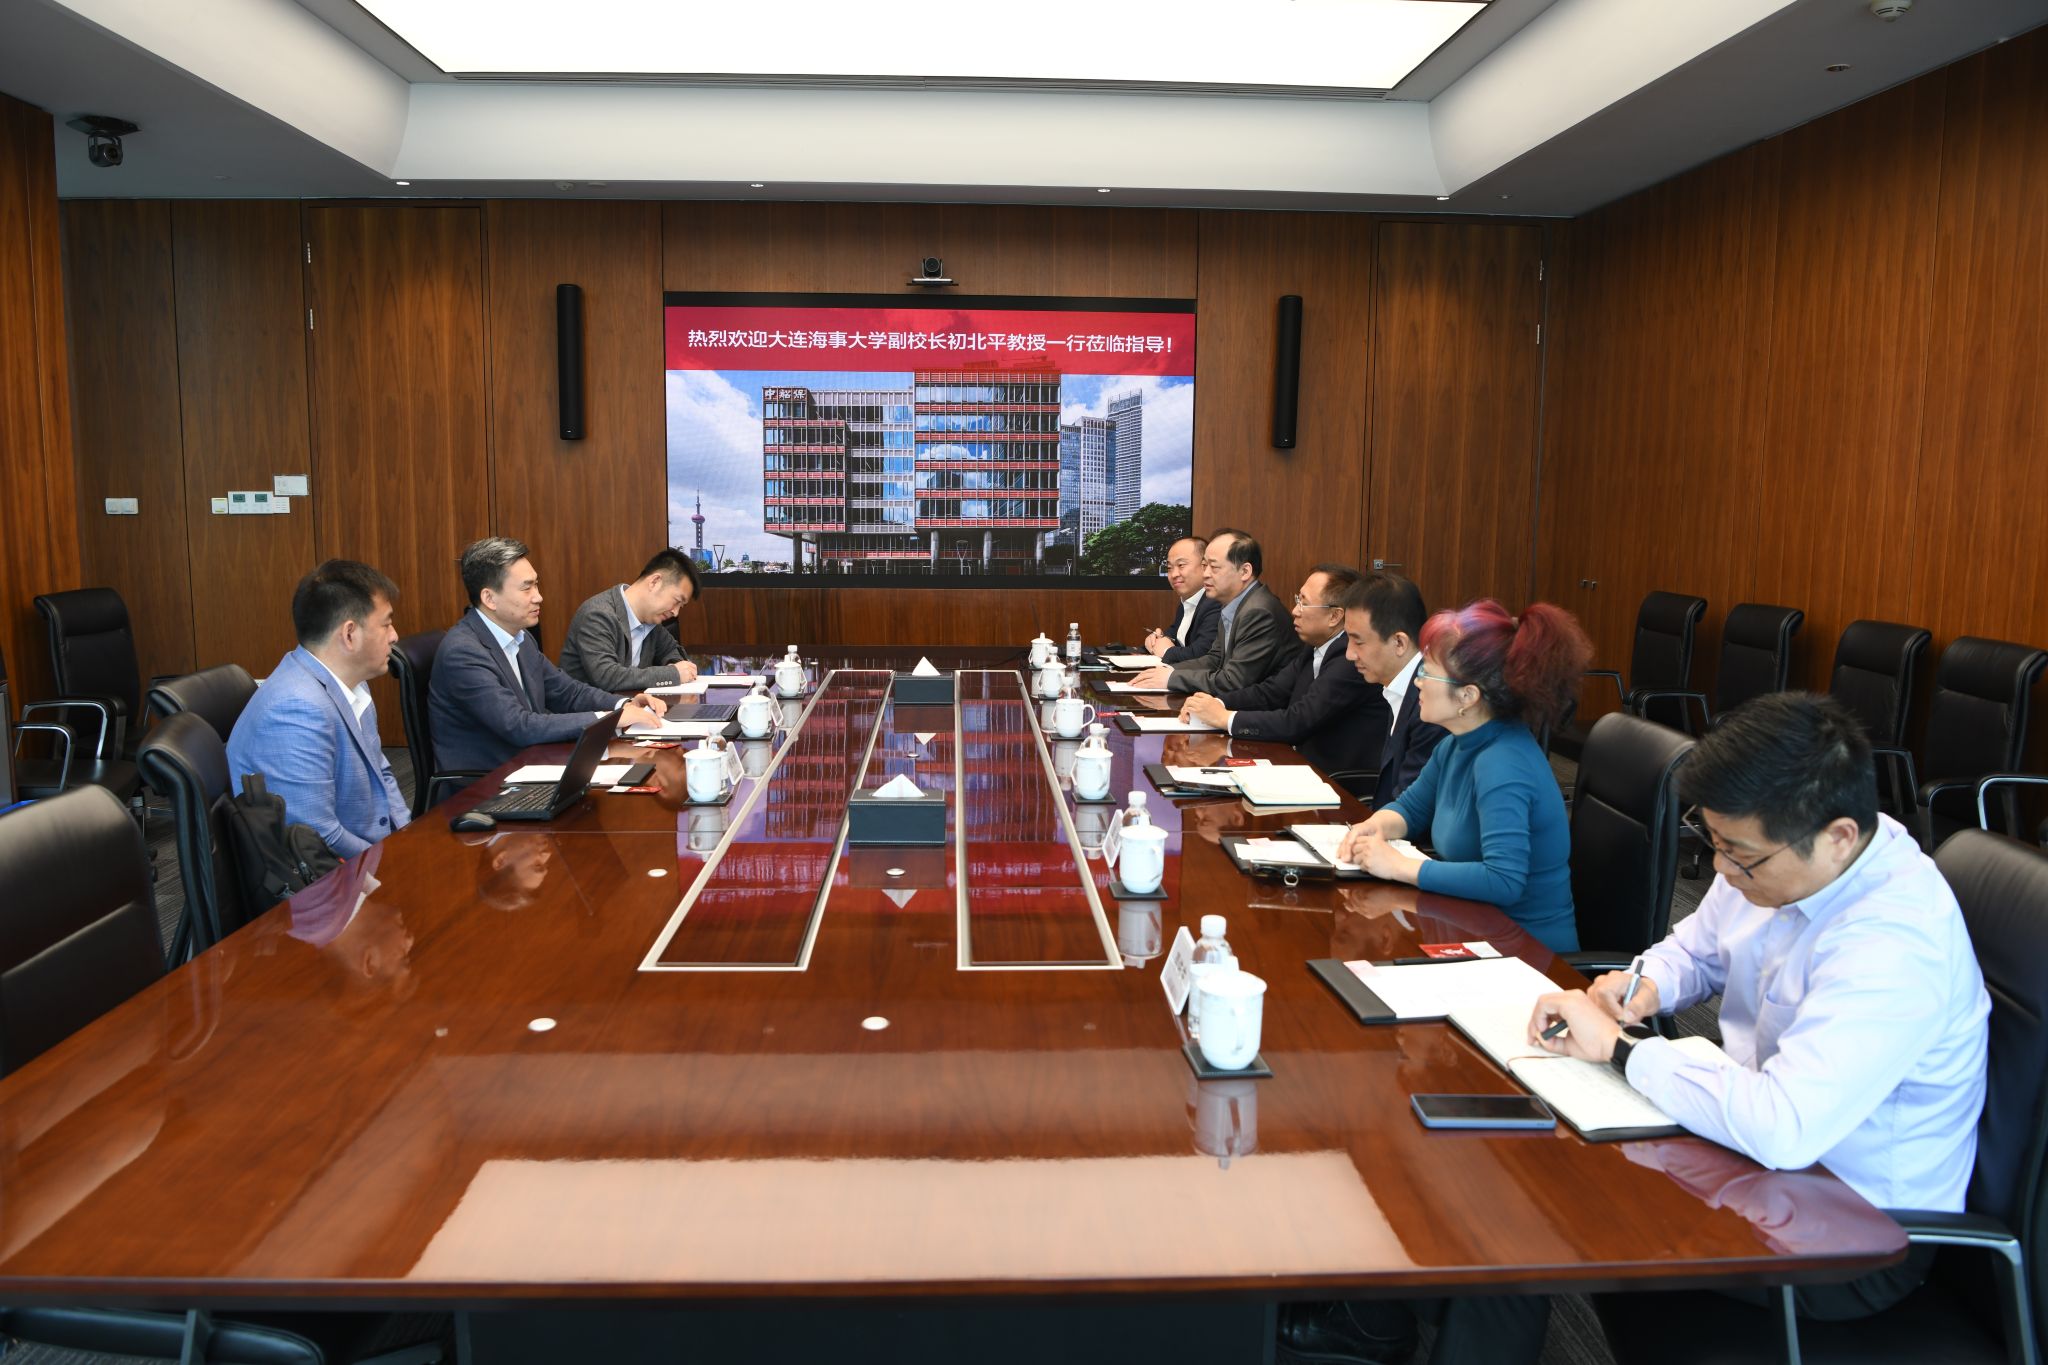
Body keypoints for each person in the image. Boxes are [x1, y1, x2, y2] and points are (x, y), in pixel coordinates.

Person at [1530, 692, 1988, 1329]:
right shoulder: (1781, 850)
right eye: (1714, 843)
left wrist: (1619, 1046)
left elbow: (1783, 1126)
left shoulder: (1895, 944)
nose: (1721, 869)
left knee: (1545, 1203)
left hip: (1851, 1230)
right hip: (1754, 1155)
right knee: (1536, 1158)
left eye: (1740, 855)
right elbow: (1697, 948)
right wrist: (1642, 987)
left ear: (1839, 838)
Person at [1336, 599, 1588, 953]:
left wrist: (1400, 866)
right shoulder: (1457, 744)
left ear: (1468, 696)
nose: (1417, 683)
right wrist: (1373, 826)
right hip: (1470, 926)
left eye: (1427, 673)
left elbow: (1503, 881)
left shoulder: (1504, 764)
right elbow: (1411, 809)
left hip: (1525, 953)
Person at [428, 537, 666, 774]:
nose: (538, 596)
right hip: (487, 782)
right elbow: (519, 725)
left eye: (536, 585)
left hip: (532, 762)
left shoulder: (521, 637)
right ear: (489, 598)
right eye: (526, 588)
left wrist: (622, 704)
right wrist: (609, 718)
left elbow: (566, 692)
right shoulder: (463, 652)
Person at [226, 559, 410, 859]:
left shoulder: (353, 683)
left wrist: (408, 840)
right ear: (349, 634)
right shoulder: (295, 709)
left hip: (370, 853)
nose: (394, 635)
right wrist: (392, 863)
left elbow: (382, 774)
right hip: (332, 875)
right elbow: (319, 835)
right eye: (386, 624)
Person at [1177, 564, 1388, 775]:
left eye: (1304, 603)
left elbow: (1299, 720)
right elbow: (1271, 692)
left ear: (1334, 616)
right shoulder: (1314, 646)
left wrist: (1225, 718)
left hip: (1336, 780)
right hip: (1303, 767)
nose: (1295, 611)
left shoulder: (1349, 657)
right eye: (1298, 600)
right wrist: (1217, 703)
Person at [1128, 528, 1301, 697]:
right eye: (1205, 566)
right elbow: (1214, 659)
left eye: (1214, 567)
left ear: (1244, 571)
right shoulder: (1233, 604)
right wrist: (1167, 670)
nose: (1205, 574)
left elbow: (1233, 681)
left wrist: (1171, 678)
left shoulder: (1258, 612)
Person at [1338, 570, 1447, 808]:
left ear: (1399, 642)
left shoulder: (1430, 704)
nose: (1349, 654)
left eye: (1358, 641)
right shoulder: (1398, 685)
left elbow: (1412, 808)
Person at [559, 547, 702, 691]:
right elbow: (607, 676)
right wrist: (672, 674)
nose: (675, 612)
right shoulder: (597, 614)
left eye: (681, 606)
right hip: (587, 705)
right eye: (677, 601)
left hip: (628, 703)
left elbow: (672, 650)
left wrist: (675, 664)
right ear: (654, 582)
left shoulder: (651, 622)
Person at [1141, 535, 1220, 664]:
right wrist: (1156, 639)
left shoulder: (1216, 602)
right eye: (1169, 568)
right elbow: (1173, 635)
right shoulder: (1187, 601)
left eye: (1181, 565)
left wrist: (1166, 651)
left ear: (1205, 566)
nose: (1174, 574)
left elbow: (1203, 655)